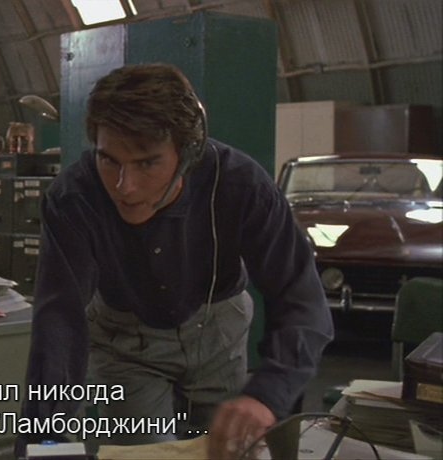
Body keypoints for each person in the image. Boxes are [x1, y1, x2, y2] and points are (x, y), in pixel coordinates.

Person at [18, 63, 333, 459]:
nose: (125, 187)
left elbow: (301, 299)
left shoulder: (242, 186)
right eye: (109, 160)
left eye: (147, 162)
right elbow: (59, 321)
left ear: (188, 152)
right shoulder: (73, 198)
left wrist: (268, 395)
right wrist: (45, 439)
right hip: (123, 344)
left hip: (219, 336)